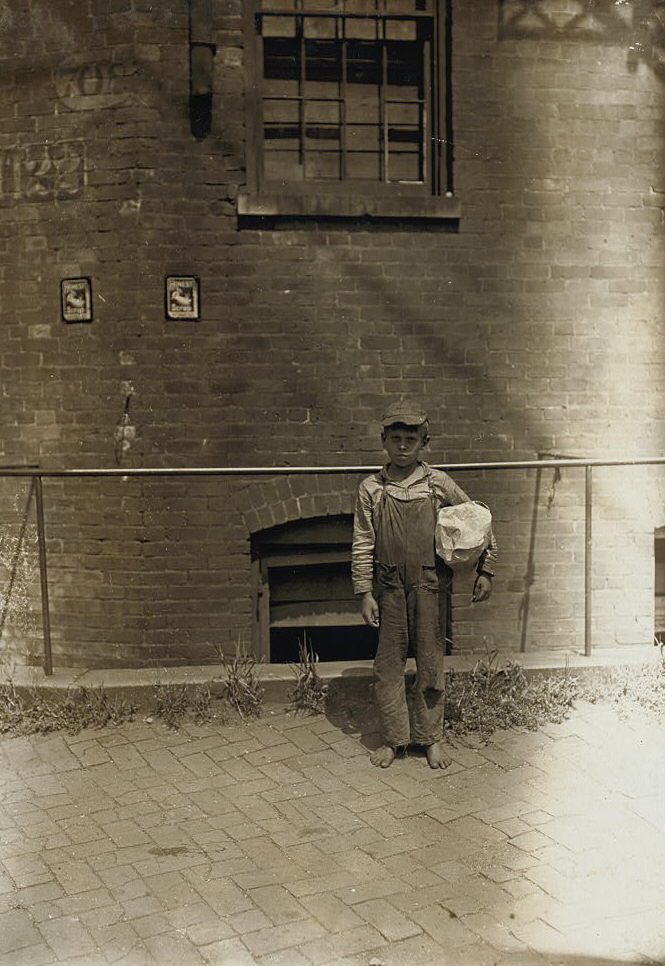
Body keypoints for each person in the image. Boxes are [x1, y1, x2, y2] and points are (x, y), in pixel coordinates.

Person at [351, 400, 497, 769]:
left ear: (423, 443)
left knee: (430, 663)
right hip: (390, 589)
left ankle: (431, 738)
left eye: (411, 439)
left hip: (429, 586)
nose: (403, 446)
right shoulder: (372, 489)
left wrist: (486, 569)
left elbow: (479, 521)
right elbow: (363, 541)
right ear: (383, 441)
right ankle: (394, 740)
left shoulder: (437, 484)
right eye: (396, 438)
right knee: (388, 665)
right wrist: (365, 592)